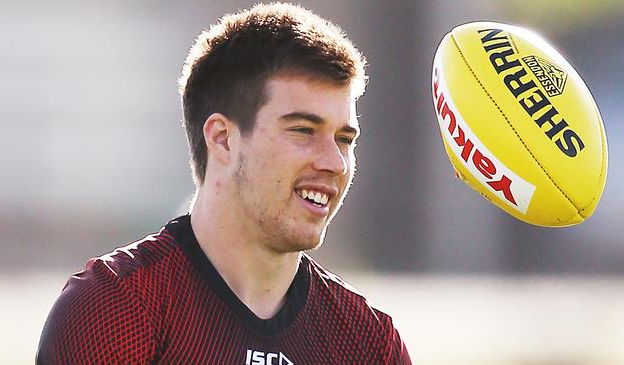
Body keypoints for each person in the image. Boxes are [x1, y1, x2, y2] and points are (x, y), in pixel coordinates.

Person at [37, 3, 413, 364]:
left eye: (344, 139)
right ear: (222, 138)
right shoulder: (117, 309)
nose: (334, 162)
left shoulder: (368, 343)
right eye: (303, 130)